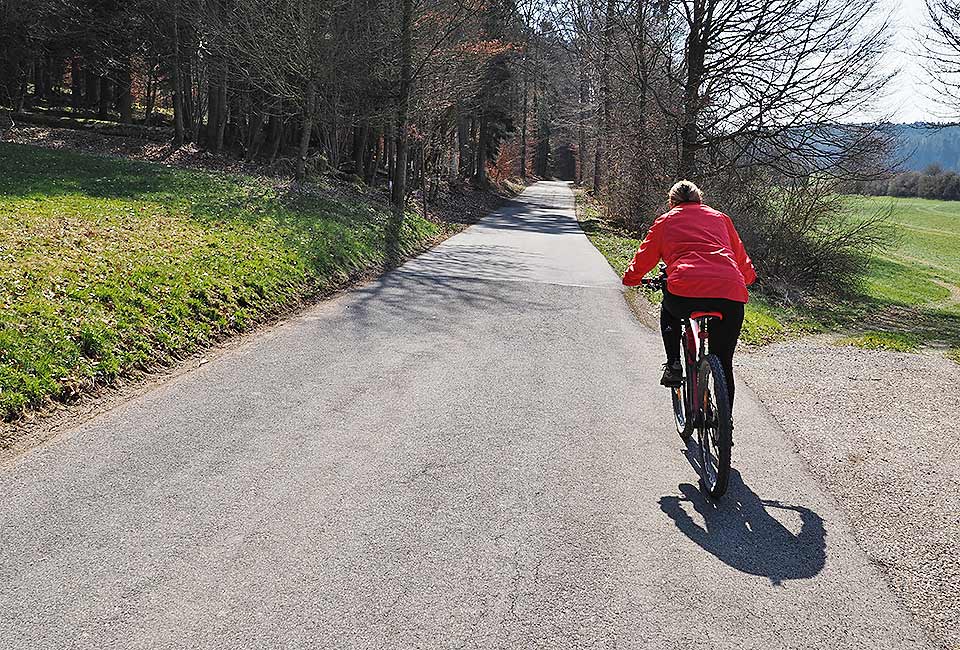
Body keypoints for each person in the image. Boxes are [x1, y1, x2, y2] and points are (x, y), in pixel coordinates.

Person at [622, 180, 756, 411]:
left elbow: (645, 256)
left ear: (672, 203)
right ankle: (725, 426)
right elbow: (739, 253)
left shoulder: (665, 221)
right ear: (700, 200)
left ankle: (674, 363)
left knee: (669, 310)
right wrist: (748, 277)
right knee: (724, 364)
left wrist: (631, 279)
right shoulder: (721, 218)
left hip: (685, 290)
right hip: (730, 293)